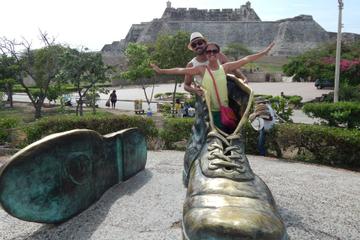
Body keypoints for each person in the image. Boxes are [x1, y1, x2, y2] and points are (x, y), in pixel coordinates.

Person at [150, 41, 274, 132]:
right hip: (211, 113)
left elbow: (246, 59)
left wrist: (264, 52)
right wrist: (161, 71)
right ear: (206, 54)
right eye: (208, 51)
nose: (211, 53)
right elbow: (180, 70)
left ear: (218, 52)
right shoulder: (201, 70)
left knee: (231, 136)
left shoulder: (225, 68)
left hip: (227, 111)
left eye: (214, 51)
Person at [184, 32, 248, 97]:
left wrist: (244, 78)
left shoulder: (218, 55)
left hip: (225, 93)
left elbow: (233, 69)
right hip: (207, 98)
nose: (197, 46)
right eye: (194, 45)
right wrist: (195, 90)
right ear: (192, 49)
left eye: (200, 43)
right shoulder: (191, 65)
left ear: (205, 44)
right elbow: (186, 85)